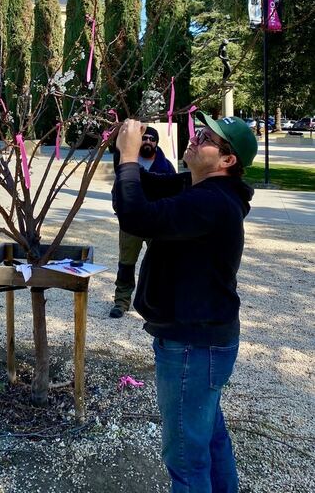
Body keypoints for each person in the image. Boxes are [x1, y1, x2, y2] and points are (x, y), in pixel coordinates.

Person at [114, 113, 257, 493]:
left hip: (194, 346)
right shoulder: (197, 188)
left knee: (185, 459)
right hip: (204, 342)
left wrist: (128, 157)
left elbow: (135, 215)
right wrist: (124, 150)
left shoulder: (210, 202)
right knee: (209, 439)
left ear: (227, 161)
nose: (195, 138)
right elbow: (146, 186)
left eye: (207, 137)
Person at [109, 126, 175, 318]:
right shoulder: (129, 162)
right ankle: (121, 301)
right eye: (144, 138)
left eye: (151, 139)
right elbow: (118, 187)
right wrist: (119, 208)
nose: (147, 142)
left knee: (159, 264)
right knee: (126, 264)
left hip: (156, 223)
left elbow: (173, 194)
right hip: (131, 223)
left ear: (156, 142)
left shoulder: (166, 166)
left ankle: (158, 302)